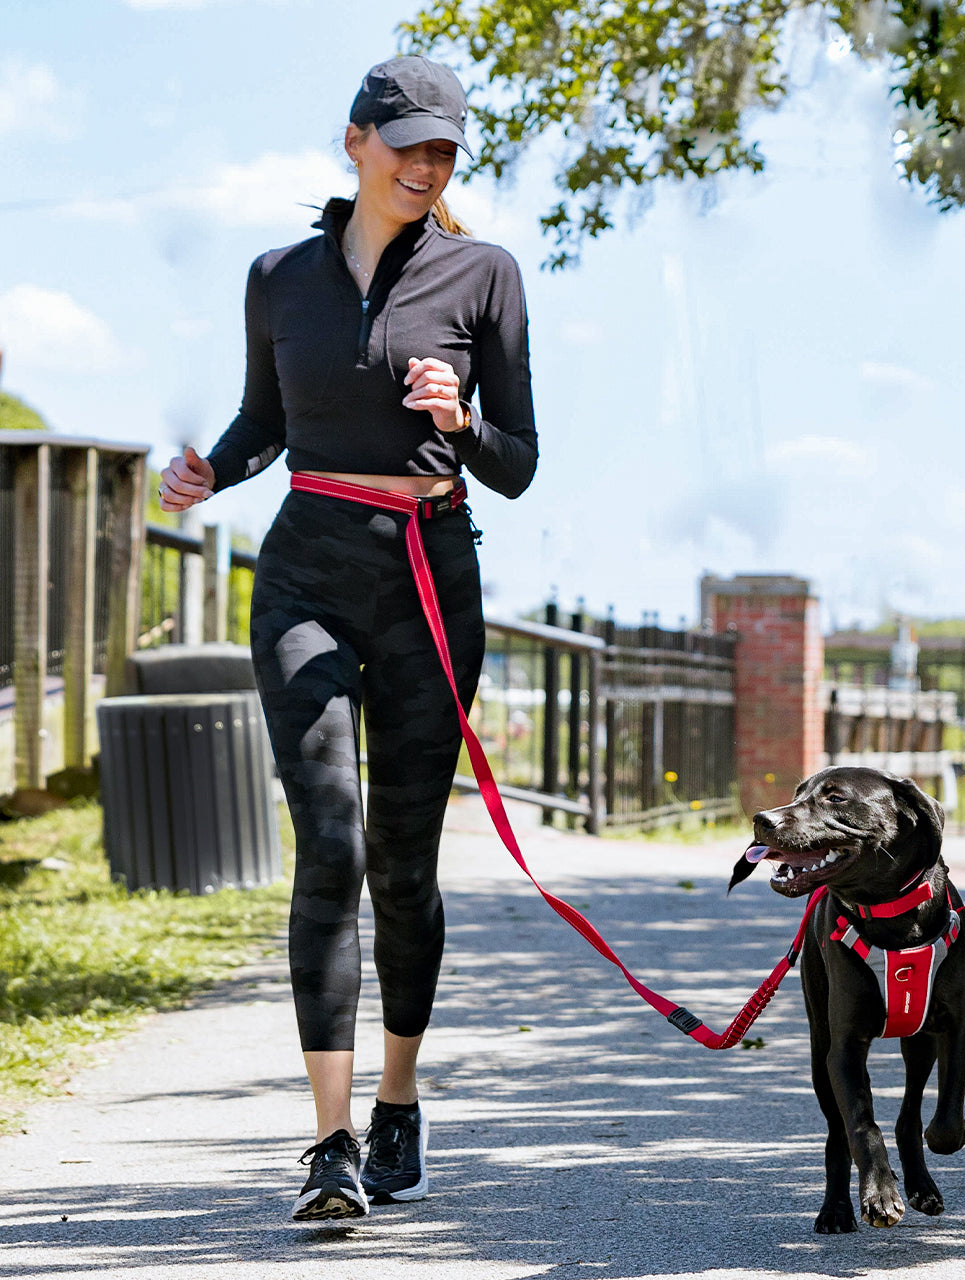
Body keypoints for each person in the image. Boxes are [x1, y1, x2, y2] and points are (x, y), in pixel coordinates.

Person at [159, 55, 537, 1221]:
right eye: (407, 144)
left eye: (443, 151)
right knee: (326, 842)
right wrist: (209, 470)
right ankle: (326, 1145)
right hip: (308, 569)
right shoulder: (278, 277)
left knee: (402, 860)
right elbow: (265, 423)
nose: (425, 166)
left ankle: (396, 1099)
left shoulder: (484, 274)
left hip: (430, 572)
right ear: (355, 142)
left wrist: (458, 419)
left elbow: (517, 464)